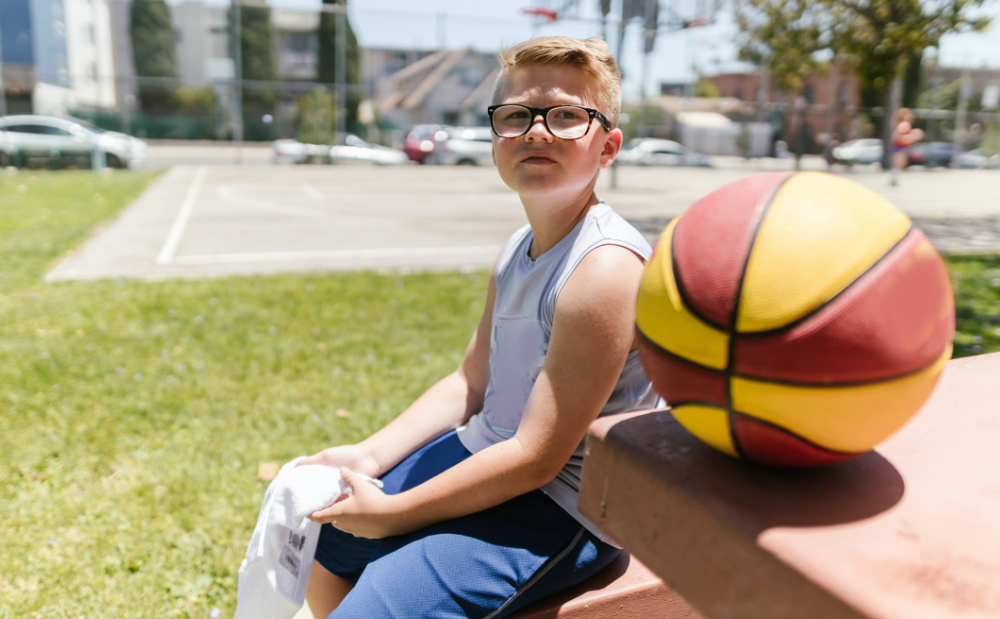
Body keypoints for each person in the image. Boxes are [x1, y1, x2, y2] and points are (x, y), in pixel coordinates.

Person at [297, 37, 659, 619]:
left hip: (564, 505)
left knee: (377, 602)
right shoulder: (519, 245)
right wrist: (368, 455)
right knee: (321, 535)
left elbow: (539, 457)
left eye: (567, 116)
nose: (537, 131)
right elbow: (469, 379)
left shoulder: (605, 269)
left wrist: (394, 513)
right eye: (516, 116)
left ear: (608, 146)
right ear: (495, 139)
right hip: (488, 452)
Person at [890, 107, 924, 186]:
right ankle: (894, 180)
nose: (910, 116)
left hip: (899, 147)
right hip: (900, 147)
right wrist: (913, 137)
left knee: (898, 165)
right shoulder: (905, 124)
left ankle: (894, 179)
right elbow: (897, 137)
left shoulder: (900, 123)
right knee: (899, 165)